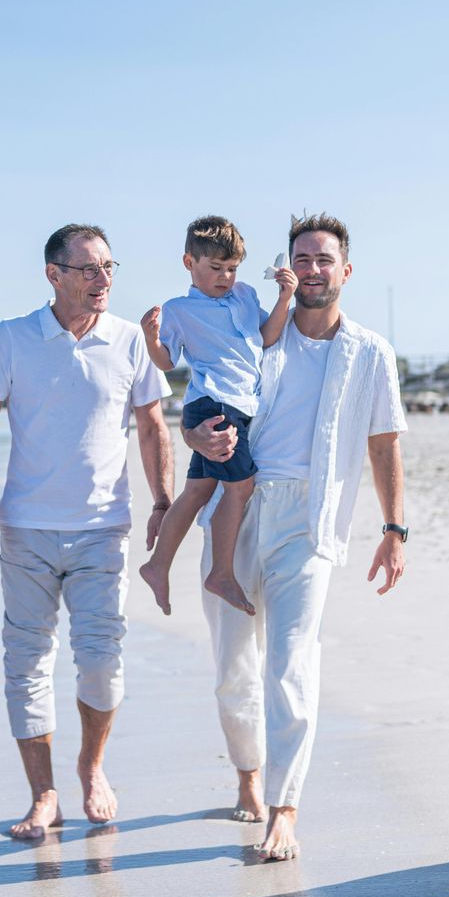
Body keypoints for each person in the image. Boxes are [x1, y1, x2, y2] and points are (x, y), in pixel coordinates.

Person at [185, 213, 408, 861]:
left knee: (291, 664)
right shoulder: (255, 334)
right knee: (234, 669)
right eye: (302, 258)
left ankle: (284, 808)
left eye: (324, 258)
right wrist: (194, 436)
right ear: (288, 268)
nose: (314, 269)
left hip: (309, 522)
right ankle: (249, 773)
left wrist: (394, 529)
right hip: (236, 506)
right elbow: (198, 408)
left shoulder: (369, 352)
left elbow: (384, 441)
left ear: (345, 269)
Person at [0, 224, 177, 840]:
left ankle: (91, 766)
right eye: (88, 269)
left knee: (102, 663)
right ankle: (43, 794)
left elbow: (152, 425)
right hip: (26, 526)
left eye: (109, 267)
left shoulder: (129, 340)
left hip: (102, 528)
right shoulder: (12, 338)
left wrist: (163, 499)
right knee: (26, 663)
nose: (102, 279)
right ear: (54, 275)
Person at [137, 214, 296, 618]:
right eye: (215, 268)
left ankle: (157, 565)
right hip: (216, 404)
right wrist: (151, 338)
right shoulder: (178, 309)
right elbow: (167, 362)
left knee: (197, 492)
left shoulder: (243, 296)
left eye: (231, 269)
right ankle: (221, 573)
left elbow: (266, 337)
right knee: (240, 488)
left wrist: (283, 300)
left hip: (237, 405)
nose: (224, 277)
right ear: (189, 262)